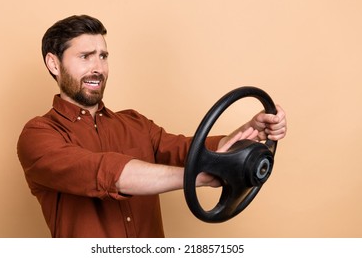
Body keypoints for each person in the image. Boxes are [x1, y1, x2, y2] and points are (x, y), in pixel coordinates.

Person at [17, 15, 287, 238]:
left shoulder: (135, 123)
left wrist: (249, 131)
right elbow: (104, 172)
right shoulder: (38, 135)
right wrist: (197, 178)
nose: (98, 67)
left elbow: (189, 150)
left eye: (103, 56)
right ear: (54, 63)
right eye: (85, 57)